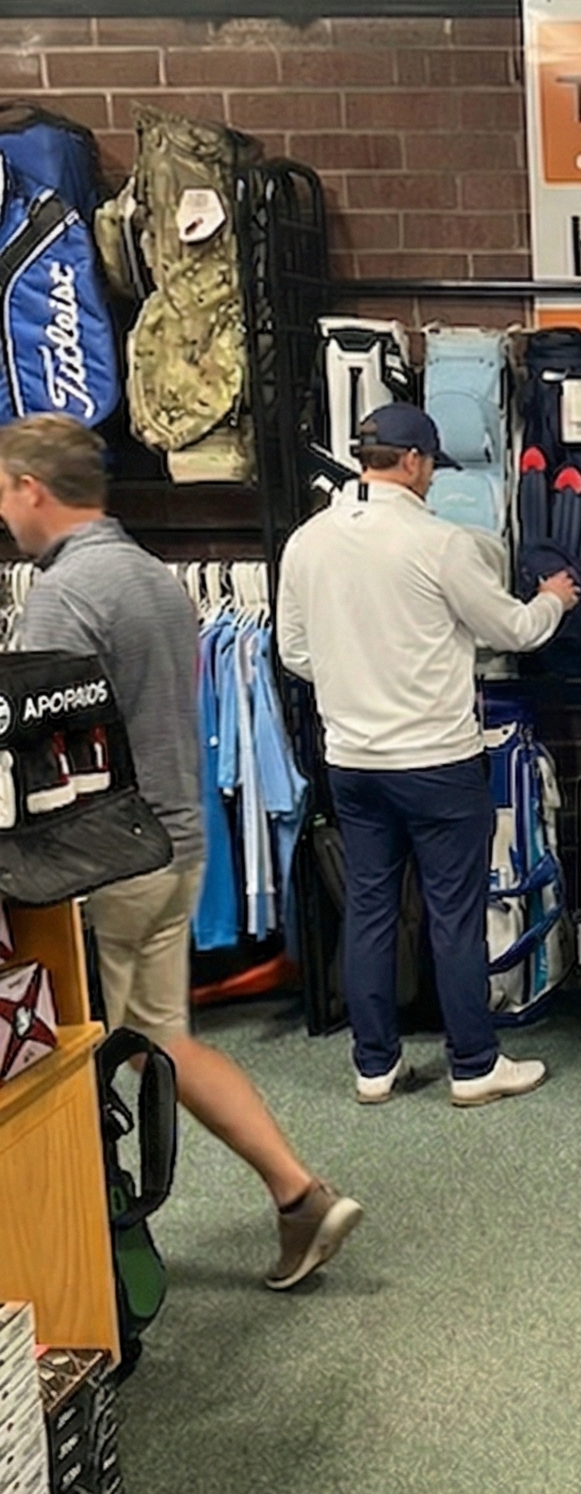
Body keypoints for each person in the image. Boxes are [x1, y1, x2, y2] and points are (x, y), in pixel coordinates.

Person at [0, 413, 361, 1291]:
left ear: (32, 489)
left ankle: (81, 1266)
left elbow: (37, 749)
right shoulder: (150, 576)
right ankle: (296, 1194)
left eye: (5, 492)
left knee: (70, 1059)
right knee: (160, 1039)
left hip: (101, 864)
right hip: (172, 842)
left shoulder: (61, 597)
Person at [276, 402, 580, 1108]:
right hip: (438, 760)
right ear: (413, 461)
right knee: (454, 914)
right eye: (432, 467)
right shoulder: (441, 543)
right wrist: (555, 599)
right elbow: (513, 629)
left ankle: (374, 1066)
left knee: (370, 909)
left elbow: (294, 652)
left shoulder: (307, 542)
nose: (433, 479)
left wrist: (357, 677)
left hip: (353, 760)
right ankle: (473, 1065)